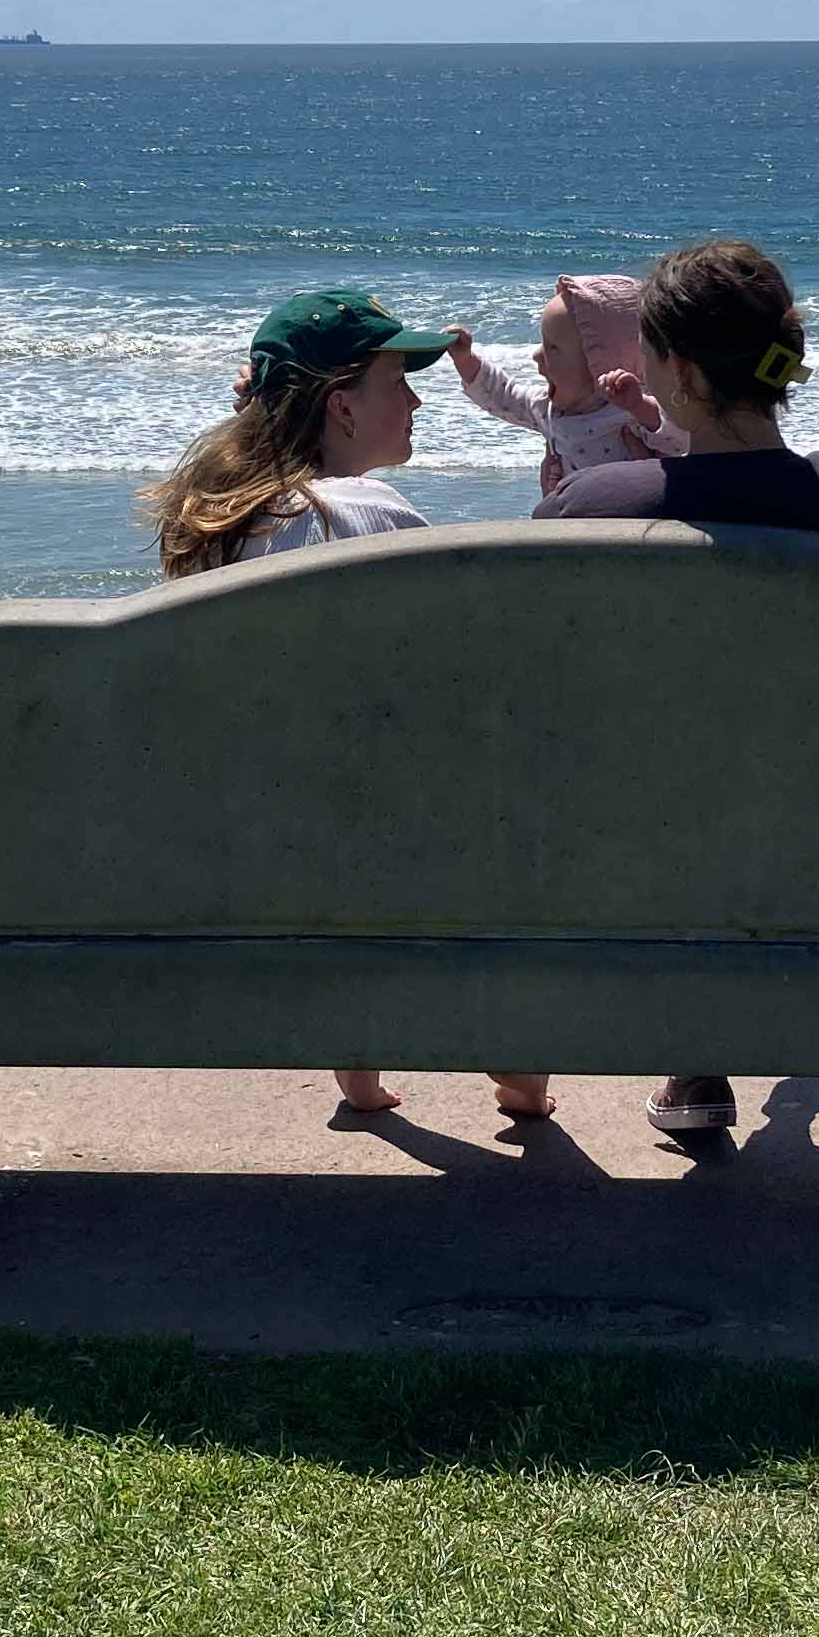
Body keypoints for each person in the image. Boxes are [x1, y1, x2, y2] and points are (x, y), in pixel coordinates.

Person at [141, 286, 554, 1122]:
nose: (414, 399)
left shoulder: (214, 522)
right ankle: (519, 1065)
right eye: (397, 381)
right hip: (392, 852)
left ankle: (358, 1064)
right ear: (341, 404)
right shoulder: (372, 516)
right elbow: (468, 685)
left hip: (257, 848)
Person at [540, 238, 819, 1135]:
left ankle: (695, 1057)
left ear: (677, 369)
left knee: (669, 775)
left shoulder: (599, 504)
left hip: (640, 828)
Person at [443, 272, 685, 506]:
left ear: (599, 363)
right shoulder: (545, 407)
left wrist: (640, 407)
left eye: (553, 347)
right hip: (574, 525)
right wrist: (466, 360)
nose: (536, 354)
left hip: (633, 530)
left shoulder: (629, 412)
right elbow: (502, 395)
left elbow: (680, 441)